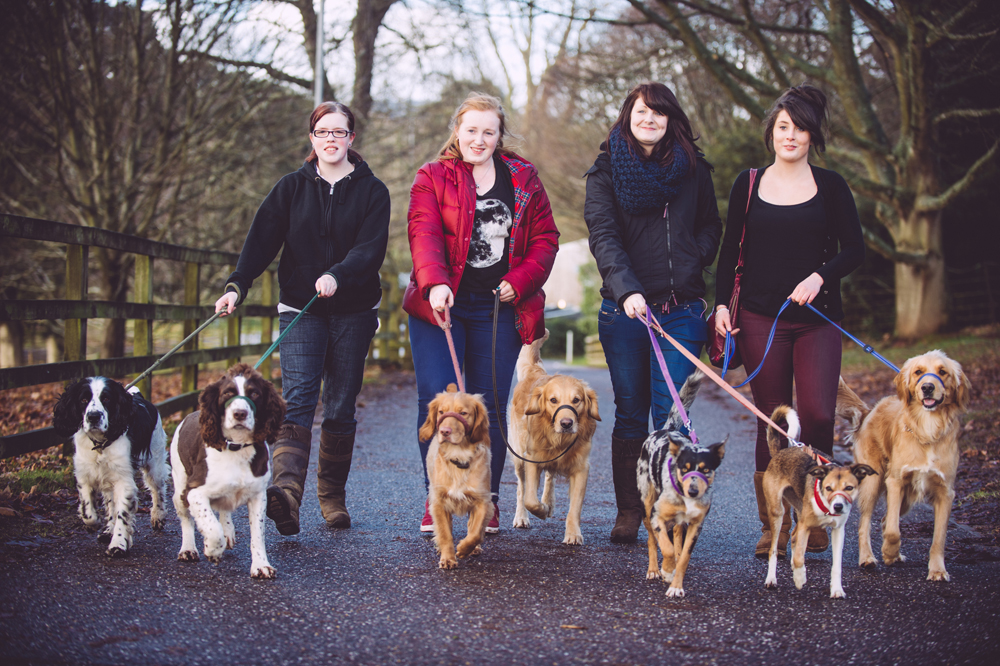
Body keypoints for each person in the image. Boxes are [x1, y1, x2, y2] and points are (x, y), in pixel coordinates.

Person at [215, 101, 390, 535]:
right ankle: (287, 495)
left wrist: (337, 275)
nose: (331, 139)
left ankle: (332, 497)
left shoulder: (373, 192)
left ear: (351, 138)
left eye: (339, 131)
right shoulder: (290, 188)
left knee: (341, 405)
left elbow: (370, 250)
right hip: (300, 309)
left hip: (354, 311)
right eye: (323, 132)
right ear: (312, 138)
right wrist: (237, 285)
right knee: (297, 400)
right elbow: (261, 241)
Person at [713, 85, 864, 558]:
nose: (791, 135)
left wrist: (820, 276)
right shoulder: (748, 184)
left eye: (800, 128)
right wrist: (721, 307)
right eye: (783, 127)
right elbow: (728, 252)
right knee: (774, 421)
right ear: (771, 132)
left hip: (818, 320)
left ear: (812, 134)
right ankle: (773, 526)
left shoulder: (832, 186)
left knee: (817, 416)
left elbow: (854, 249)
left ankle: (814, 517)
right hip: (760, 317)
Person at [403, 92, 559, 534]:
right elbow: (423, 231)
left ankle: (484, 498)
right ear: (457, 131)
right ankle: (437, 496)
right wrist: (435, 283)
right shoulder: (432, 176)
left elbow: (546, 239)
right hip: (441, 307)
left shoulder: (524, 178)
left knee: (486, 405)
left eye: (488, 132)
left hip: (498, 308)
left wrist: (521, 280)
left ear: (499, 135)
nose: (479, 139)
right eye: (471, 130)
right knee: (440, 401)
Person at [584, 82, 723, 543]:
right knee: (630, 412)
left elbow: (711, 225)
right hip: (625, 311)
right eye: (642, 111)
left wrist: (692, 257)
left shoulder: (694, 169)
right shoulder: (606, 171)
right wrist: (627, 290)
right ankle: (630, 510)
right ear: (629, 115)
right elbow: (603, 235)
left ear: (671, 120)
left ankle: (673, 510)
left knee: (672, 415)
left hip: (681, 310)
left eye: (659, 113)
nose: (650, 119)